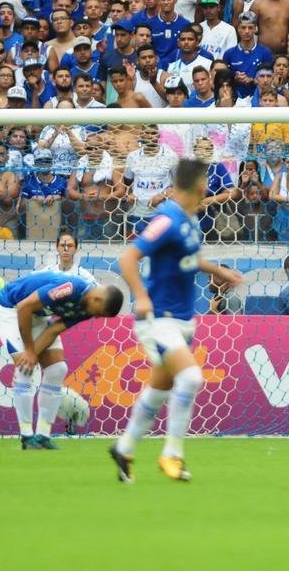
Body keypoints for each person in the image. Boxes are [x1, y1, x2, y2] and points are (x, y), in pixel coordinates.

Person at [110, 160, 243, 483]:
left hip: (182, 318)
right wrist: (141, 296)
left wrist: (220, 271)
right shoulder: (167, 218)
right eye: (206, 181)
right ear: (199, 185)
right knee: (191, 377)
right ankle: (172, 454)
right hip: (159, 318)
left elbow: (190, 258)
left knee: (160, 389)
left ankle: (123, 447)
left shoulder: (190, 219)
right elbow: (128, 257)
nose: (208, 186)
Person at [0, 270, 123, 449]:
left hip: (37, 313)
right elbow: (24, 306)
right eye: (99, 313)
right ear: (97, 300)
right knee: (25, 369)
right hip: (11, 307)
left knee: (57, 370)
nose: (96, 317)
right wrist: (29, 351)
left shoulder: (86, 309)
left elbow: (53, 330)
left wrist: (32, 354)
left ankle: (42, 435)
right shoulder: (70, 288)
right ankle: (27, 437)